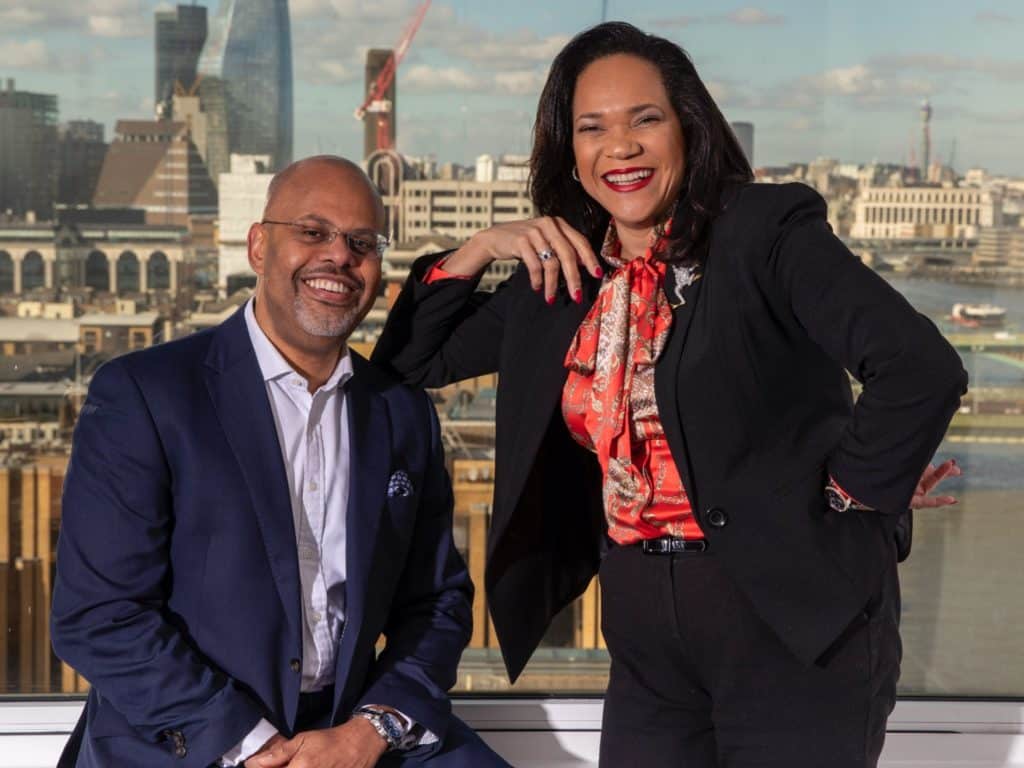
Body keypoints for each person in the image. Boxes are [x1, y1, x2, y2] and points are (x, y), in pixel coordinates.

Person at [373, 22, 968, 768]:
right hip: (645, 624)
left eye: (644, 120)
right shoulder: (567, 275)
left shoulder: (763, 232)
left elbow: (918, 368)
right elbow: (409, 361)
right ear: (569, 151)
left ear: (688, 127)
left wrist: (846, 490)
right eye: (592, 128)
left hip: (788, 620)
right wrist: (480, 248)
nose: (619, 147)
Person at [51, 156, 510, 768]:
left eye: (362, 243)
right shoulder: (147, 393)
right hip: (188, 734)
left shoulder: (401, 412)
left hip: (348, 729)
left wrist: (369, 731)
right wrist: (254, 745)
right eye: (313, 232)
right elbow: (98, 615)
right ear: (259, 245)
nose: (339, 257)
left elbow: (437, 601)